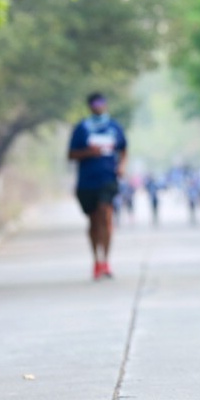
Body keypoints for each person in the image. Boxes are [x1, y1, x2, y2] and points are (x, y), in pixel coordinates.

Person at [67, 93, 128, 280]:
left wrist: (121, 166)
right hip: (87, 181)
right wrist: (88, 152)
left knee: (106, 214)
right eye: (95, 103)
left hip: (108, 178)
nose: (98, 105)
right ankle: (96, 260)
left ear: (106, 104)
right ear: (90, 106)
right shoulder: (82, 128)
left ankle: (106, 262)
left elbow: (124, 149)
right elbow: (71, 154)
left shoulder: (114, 126)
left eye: (102, 102)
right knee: (93, 221)